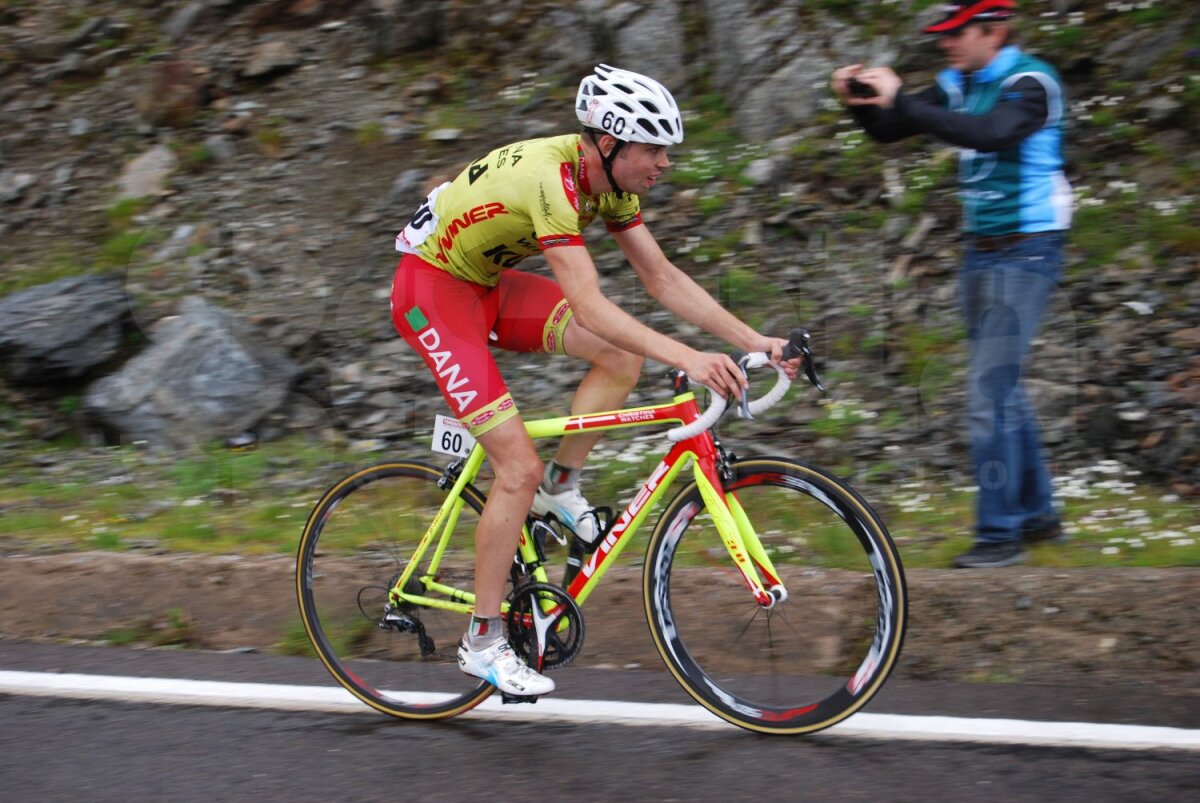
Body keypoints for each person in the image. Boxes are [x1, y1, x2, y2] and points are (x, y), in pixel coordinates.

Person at [391, 64, 801, 695]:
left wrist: (755, 342)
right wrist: (690, 359)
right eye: (654, 147)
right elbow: (587, 303)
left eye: (667, 148)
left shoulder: (610, 185)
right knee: (515, 468)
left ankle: (561, 485)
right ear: (608, 144)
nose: (664, 161)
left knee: (620, 358)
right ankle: (482, 640)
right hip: (433, 293)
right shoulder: (553, 180)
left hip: (489, 286)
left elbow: (660, 279)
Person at [830, 0, 1071, 569]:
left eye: (956, 34)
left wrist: (903, 99)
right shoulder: (957, 80)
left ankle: (999, 536)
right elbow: (892, 130)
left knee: (990, 391)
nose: (946, 44)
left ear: (994, 30)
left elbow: (991, 134)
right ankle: (1039, 517)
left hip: (1029, 249)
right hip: (980, 251)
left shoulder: (1031, 82)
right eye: (942, 34)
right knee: (1002, 386)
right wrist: (862, 102)